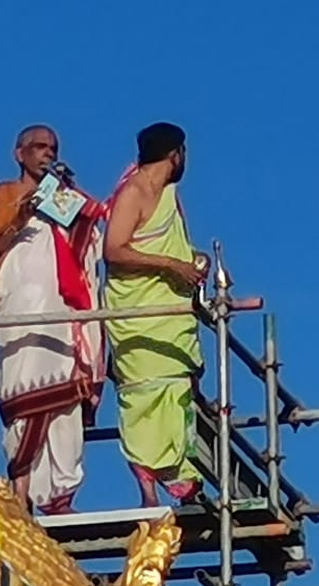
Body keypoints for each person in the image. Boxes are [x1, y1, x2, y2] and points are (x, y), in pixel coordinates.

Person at [0, 125, 106, 514]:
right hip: (20, 310)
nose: (46, 154)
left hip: (63, 314)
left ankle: (61, 497)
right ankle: (20, 493)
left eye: (52, 148)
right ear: (19, 153)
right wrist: (20, 219)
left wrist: (74, 208)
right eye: (38, 148)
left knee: (65, 404)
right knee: (21, 394)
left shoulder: (66, 198)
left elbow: (90, 247)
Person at [104, 123, 206, 506]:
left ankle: (183, 480)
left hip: (171, 315)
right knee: (143, 395)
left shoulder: (168, 196)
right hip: (138, 312)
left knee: (177, 392)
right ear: (175, 154)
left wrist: (190, 262)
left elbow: (169, 247)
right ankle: (147, 488)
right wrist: (169, 265)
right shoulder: (134, 191)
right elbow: (114, 250)